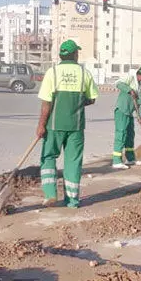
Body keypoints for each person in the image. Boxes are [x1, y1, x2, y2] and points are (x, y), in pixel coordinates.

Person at [36, 40, 99, 209]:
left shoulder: (52, 73)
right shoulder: (84, 73)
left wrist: (41, 125)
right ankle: (72, 201)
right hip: (76, 127)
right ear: (75, 55)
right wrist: (77, 102)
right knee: (73, 162)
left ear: (61, 55)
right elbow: (92, 98)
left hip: (54, 125)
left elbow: (46, 104)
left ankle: (50, 194)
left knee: (48, 157)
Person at [112, 66, 141, 170]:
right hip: (121, 110)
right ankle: (116, 160)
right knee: (121, 134)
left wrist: (140, 116)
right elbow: (118, 83)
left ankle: (130, 158)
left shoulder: (139, 86)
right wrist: (129, 90)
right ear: (140, 75)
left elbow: (139, 103)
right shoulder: (130, 78)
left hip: (129, 112)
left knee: (130, 135)